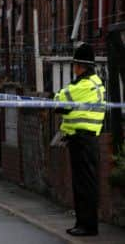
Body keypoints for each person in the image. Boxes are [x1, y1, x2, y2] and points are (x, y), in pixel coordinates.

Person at [54, 42, 106, 237]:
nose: (74, 68)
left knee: (84, 184)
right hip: (85, 140)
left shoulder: (84, 85)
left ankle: (87, 226)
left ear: (79, 66)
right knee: (85, 183)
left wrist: (60, 97)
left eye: (75, 64)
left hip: (83, 140)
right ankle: (83, 223)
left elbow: (59, 101)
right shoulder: (95, 82)